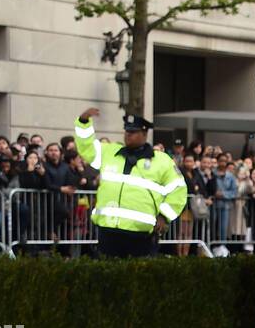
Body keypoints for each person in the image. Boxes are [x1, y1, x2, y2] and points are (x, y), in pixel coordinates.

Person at [74, 109, 188, 257]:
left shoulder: (161, 161)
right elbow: (86, 147)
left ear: (144, 134)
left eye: (133, 132)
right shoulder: (110, 152)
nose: (128, 135)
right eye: (127, 131)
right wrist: (83, 122)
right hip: (108, 230)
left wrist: (164, 216)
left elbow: (178, 190)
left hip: (141, 234)